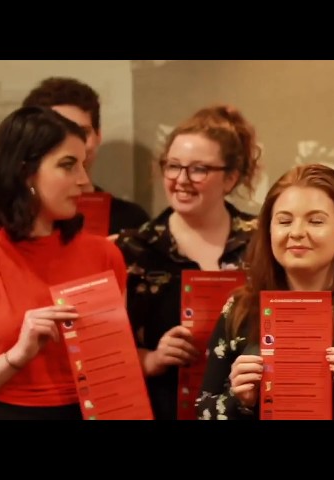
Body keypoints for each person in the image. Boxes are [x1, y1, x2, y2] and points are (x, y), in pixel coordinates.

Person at [195, 163, 334, 420]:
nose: (296, 233)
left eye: (316, 221)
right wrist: (239, 399)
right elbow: (205, 409)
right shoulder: (241, 307)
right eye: (284, 221)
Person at [0, 106, 127, 420]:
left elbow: (115, 375)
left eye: (83, 165)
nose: (84, 180)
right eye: (68, 165)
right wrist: (17, 356)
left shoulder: (104, 255)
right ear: (25, 172)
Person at [115, 104, 261, 420]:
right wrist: (151, 358)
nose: (181, 180)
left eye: (198, 169)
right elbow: (103, 355)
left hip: (246, 408)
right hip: (161, 407)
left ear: (230, 178)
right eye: (173, 166)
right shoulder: (132, 248)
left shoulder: (262, 241)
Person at [0, 77, 150, 236]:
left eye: (82, 132)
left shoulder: (131, 220)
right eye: (57, 133)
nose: (71, 142)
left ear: (98, 135)